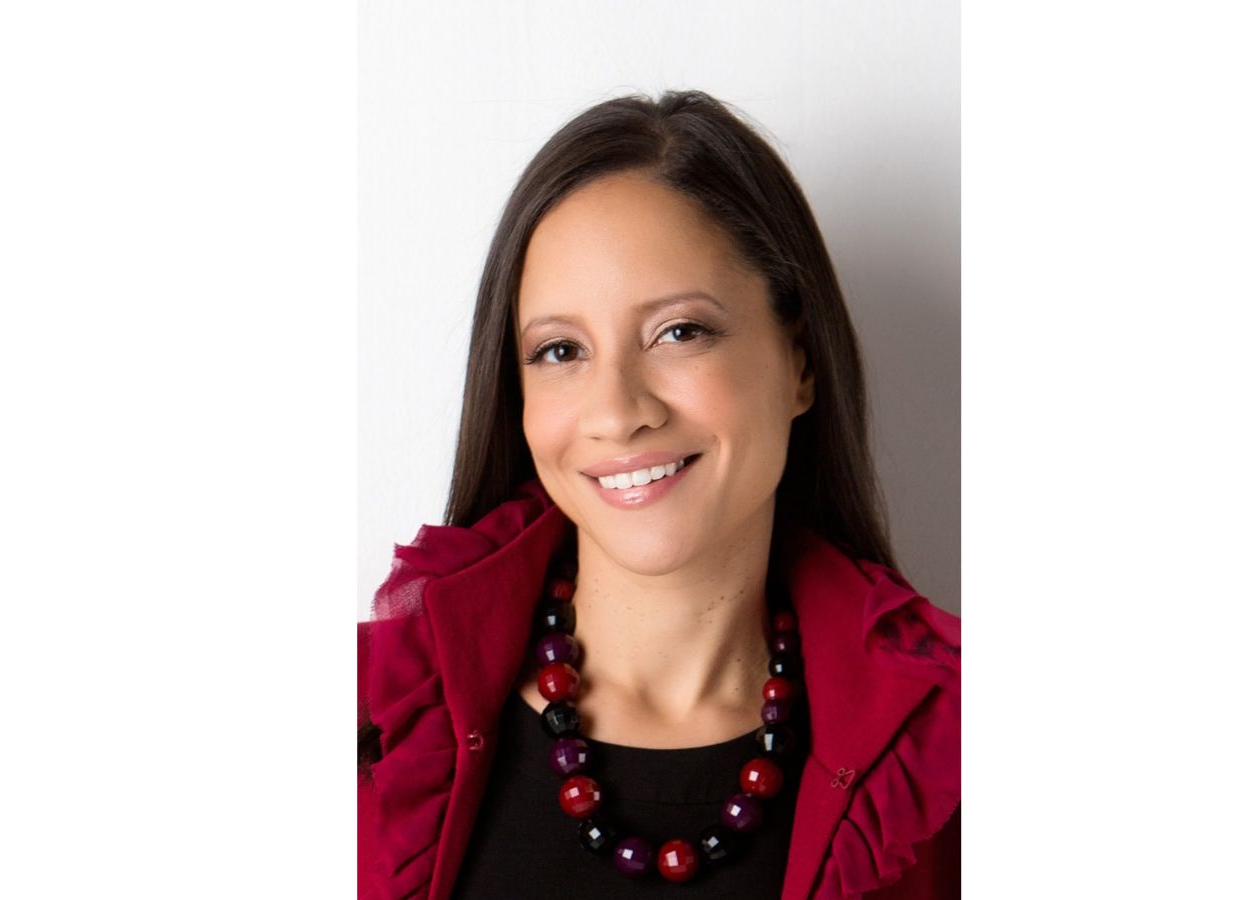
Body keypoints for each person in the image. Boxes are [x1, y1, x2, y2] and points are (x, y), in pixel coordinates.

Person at [358, 90, 960, 899]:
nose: (617, 411)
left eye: (680, 332)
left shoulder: (947, 766)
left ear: (801, 364)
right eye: (561, 349)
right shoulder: (375, 731)